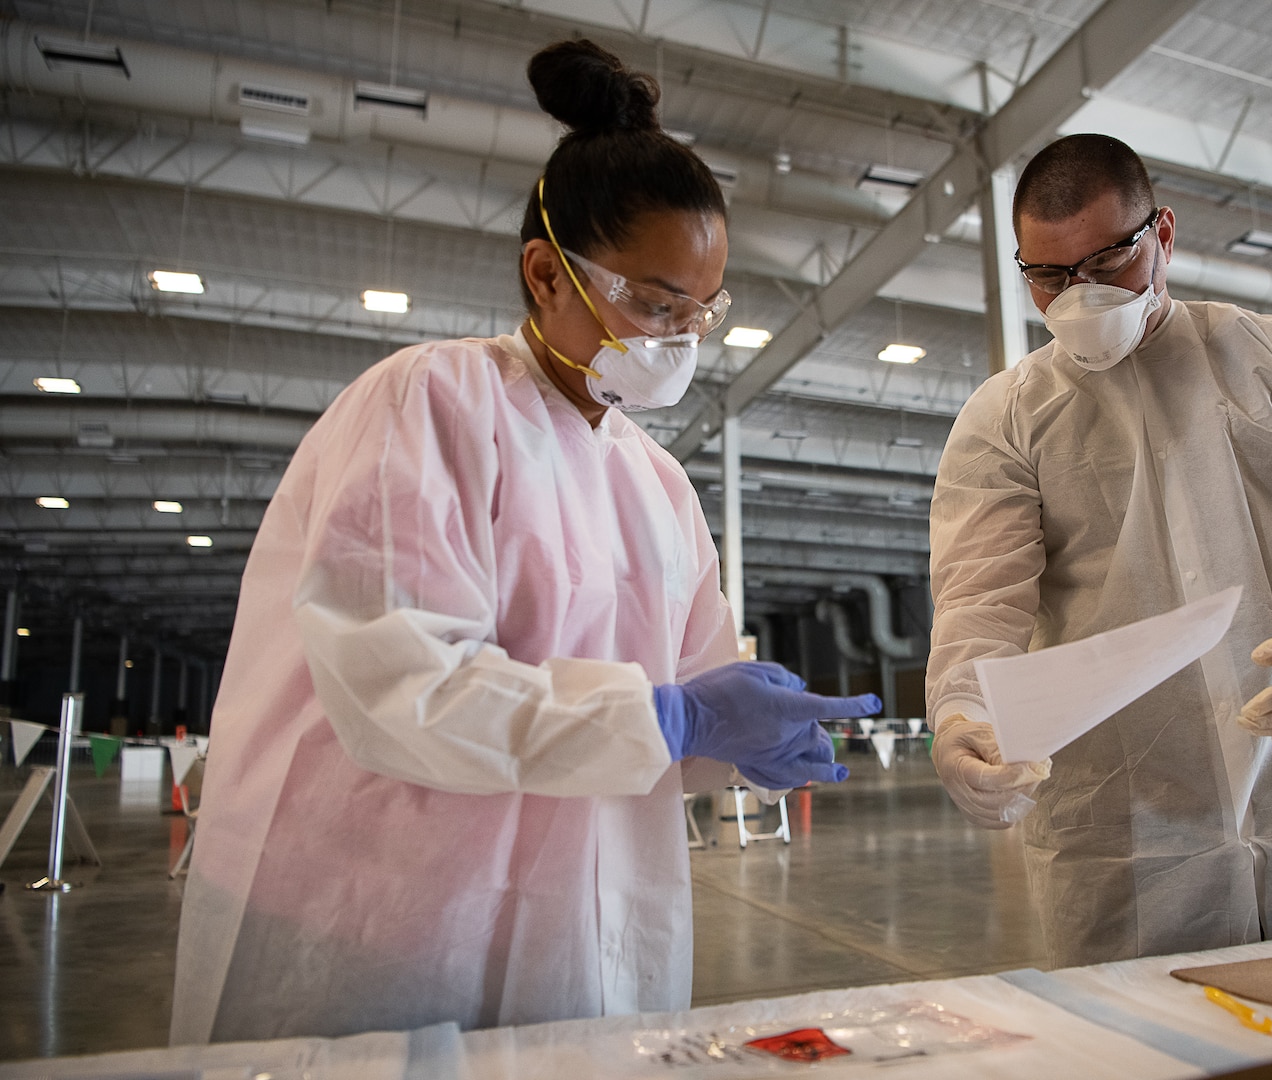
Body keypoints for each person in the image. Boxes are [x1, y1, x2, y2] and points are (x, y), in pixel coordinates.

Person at [170, 40, 879, 1044]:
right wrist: (670, 722)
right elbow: (401, 690)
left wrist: (741, 739)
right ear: (546, 273)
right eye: (651, 302)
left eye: (700, 314)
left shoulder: (660, 485)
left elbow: (688, 698)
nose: (677, 342)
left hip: (581, 927)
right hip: (385, 918)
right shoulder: (428, 403)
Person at [927, 134, 1272, 968]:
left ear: (1163, 234)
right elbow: (981, 598)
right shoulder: (1006, 417)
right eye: (1049, 277)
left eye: (1105, 263)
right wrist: (962, 717)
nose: (1078, 297)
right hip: (1130, 828)